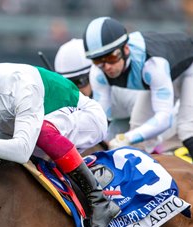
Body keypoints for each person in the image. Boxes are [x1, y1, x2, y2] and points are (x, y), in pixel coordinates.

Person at [0, 55, 121, 227]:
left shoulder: (24, 87)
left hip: (86, 118)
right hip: (28, 124)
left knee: (38, 133)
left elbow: (22, 150)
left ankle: (99, 200)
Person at [83, 16, 193, 158]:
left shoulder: (153, 65)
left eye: (111, 57)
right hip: (166, 72)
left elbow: (165, 119)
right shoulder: (98, 72)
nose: (107, 67)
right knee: (137, 129)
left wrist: (126, 138)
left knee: (187, 129)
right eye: (98, 60)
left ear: (126, 49)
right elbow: (101, 116)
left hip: (188, 66)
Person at [54, 38, 140, 141]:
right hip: (117, 121)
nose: (73, 91)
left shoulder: (125, 92)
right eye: (66, 85)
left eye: (79, 82)